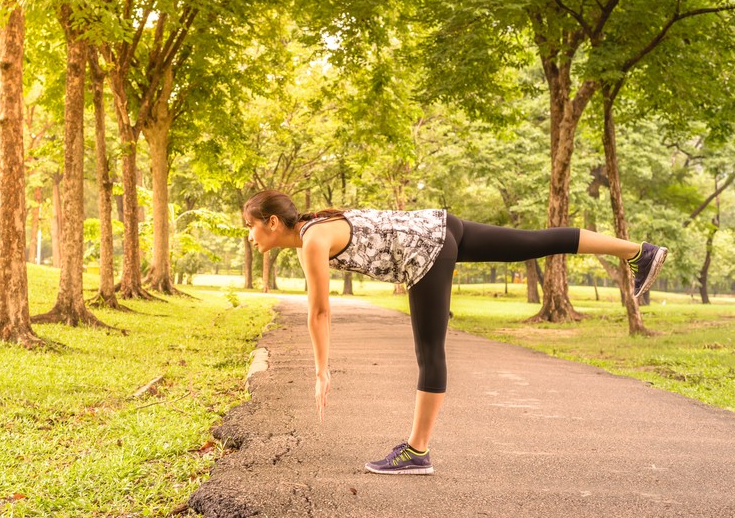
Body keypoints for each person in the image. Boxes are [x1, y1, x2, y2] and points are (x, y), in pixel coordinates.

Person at [242, 190, 668, 476]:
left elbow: (319, 311)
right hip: (442, 227)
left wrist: (321, 371)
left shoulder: (313, 240)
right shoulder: (317, 222)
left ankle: (417, 451)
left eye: (251, 226)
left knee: (430, 351)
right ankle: (638, 251)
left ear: (274, 222)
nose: (250, 236)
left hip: (425, 252)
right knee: (532, 241)